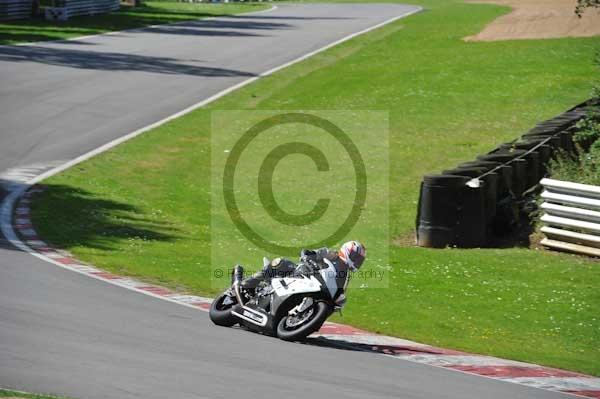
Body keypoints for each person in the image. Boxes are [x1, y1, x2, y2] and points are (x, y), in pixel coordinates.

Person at [241, 241, 366, 295]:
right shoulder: (330, 254)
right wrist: (308, 257)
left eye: (359, 260)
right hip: (301, 273)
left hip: (315, 288)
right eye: (356, 257)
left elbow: (340, 292)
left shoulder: (345, 276)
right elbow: (307, 252)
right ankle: (247, 283)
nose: (356, 261)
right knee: (281, 262)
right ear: (347, 251)